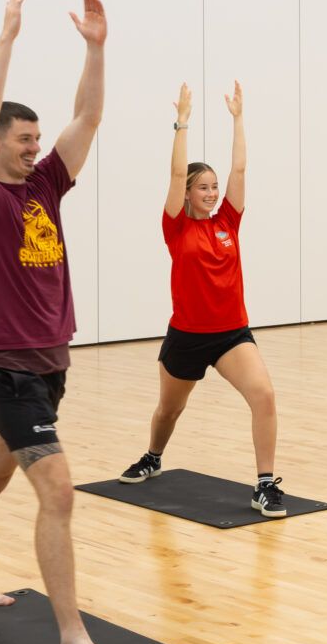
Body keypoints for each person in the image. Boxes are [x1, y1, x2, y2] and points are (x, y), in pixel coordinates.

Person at [0, 0, 122, 644]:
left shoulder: (44, 185)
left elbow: (89, 116)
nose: (34, 149)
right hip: (8, 369)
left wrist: (96, 49)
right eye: (24, 140)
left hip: (50, 364)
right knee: (58, 491)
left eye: (37, 141)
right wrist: (8, 36)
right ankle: (72, 637)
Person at [112, 81, 287, 517]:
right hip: (187, 336)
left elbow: (240, 171)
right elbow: (174, 175)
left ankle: (265, 484)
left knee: (264, 395)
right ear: (188, 193)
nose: (212, 193)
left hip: (231, 335)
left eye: (214, 187)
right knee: (169, 411)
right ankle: (153, 456)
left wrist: (238, 119)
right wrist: (182, 123)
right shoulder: (176, 227)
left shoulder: (228, 220)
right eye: (203, 188)